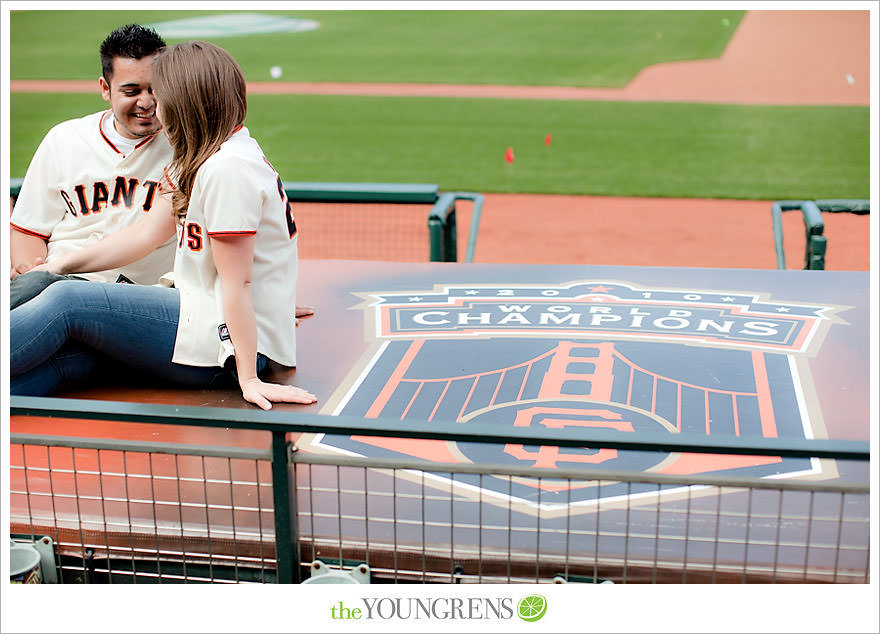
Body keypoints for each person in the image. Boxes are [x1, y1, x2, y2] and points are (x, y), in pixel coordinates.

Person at [10, 40, 316, 410]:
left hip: (223, 343)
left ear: (186, 102)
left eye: (161, 95)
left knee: (66, 301)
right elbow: (146, 234)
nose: (154, 105)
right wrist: (57, 266)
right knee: (64, 343)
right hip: (198, 317)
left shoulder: (226, 169)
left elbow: (240, 282)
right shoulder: (209, 155)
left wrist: (249, 378)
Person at [9, 24, 175, 308]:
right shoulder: (64, 139)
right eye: (131, 91)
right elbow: (29, 229)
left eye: (155, 89)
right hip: (53, 285)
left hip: (135, 301)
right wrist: (30, 269)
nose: (146, 102)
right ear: (105, 89)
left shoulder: (184, 148)